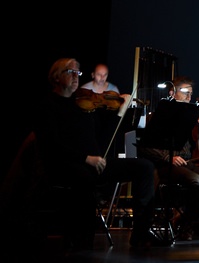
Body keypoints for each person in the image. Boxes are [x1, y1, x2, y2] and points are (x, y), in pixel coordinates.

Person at [32, 58, 164, 251]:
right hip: (66, 165)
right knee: (84, 178)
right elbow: (52, 145)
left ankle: (141, 233)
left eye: (78, 72)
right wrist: (86, 159)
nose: (76, 76)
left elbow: (103, 140)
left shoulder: (82, 104)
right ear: (56, 77)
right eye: (71, 72)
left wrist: (120, 112)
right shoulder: (48, 106)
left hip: (94, 163)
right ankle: (82, 241)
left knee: (145, 167)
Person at [138, 76, 199, 241]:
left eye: (191, 93)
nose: (189, 97)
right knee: (198, 182)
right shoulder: (157, 117)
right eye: (185, 93)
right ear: (172, 93)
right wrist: (169, 157)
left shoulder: (191, 118)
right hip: (166, 166)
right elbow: (145, 147)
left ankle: (184, 217)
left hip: (189, 164)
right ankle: (188, 223)